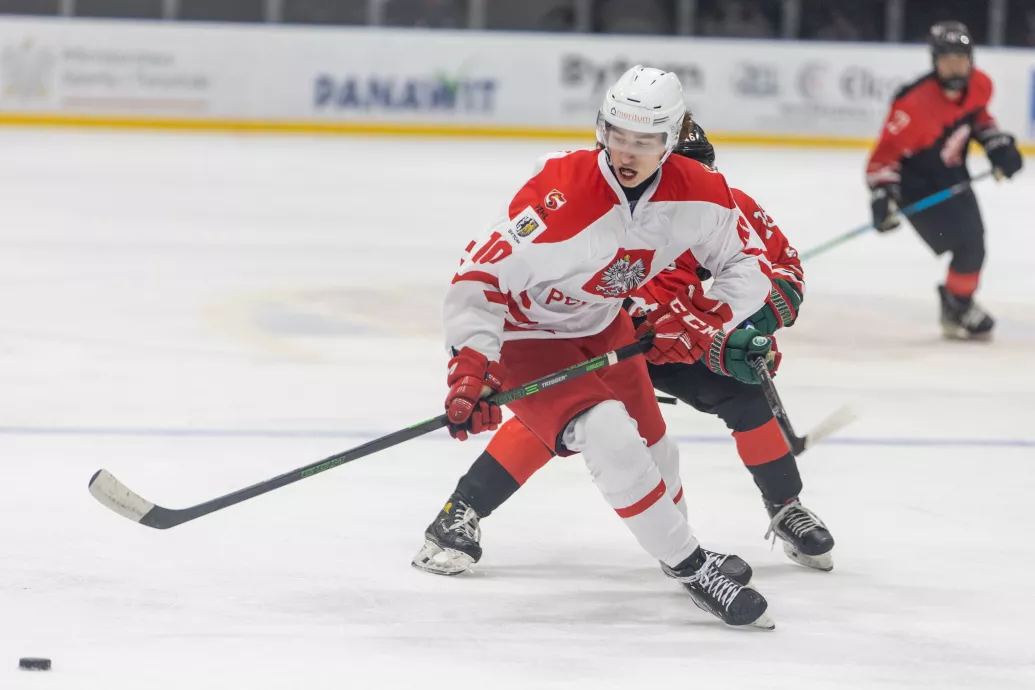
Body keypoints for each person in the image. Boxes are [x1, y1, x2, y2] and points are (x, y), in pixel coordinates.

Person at [416, 117, 835, 588]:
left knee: (746, 394)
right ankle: (462, 509)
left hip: (690, 342)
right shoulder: (611, 210)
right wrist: (684, 329)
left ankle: (785, 506)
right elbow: (599, 295)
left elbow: (783, 273)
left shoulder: (722, 206)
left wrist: (743, 330)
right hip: (626, 337)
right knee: (566, 417)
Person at [439, 66, 778, 629]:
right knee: (607, 431)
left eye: (644, 140)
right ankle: (692, 567)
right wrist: (472, 365)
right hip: (527, 334)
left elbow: (748, 265)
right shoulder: (560, 193)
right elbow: (480, 276)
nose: (626, 151)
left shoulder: (700, 192)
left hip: (602, 324)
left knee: (658, 449)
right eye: (617, 134)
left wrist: (703, 315)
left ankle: (679, 547)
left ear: (671, 139)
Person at [866, 20, 1023, 340]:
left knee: (975, 243)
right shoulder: (913, 105)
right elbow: (884, 157)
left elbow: (978, 118)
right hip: (916, 186)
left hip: (952, 174)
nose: (954, 66)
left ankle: (957, 302)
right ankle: (957, 305)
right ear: (934, 61)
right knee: (968, 244)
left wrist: (995, 143)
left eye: (960, 58)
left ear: (971, 59)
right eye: (947, 59)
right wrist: (883, 194)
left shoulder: (980, 84)